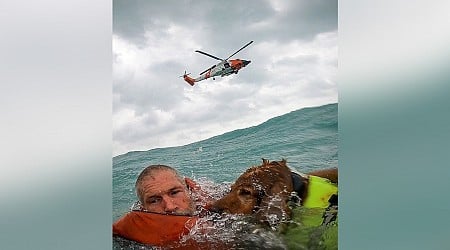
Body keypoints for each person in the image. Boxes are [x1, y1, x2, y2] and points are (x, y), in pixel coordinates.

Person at [113, 164, 212, 247]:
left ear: (189, 190)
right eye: (155, 200)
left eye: (174, 193)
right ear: (144, 209)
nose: (169, 207)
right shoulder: (132, 238)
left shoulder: (215, 204)